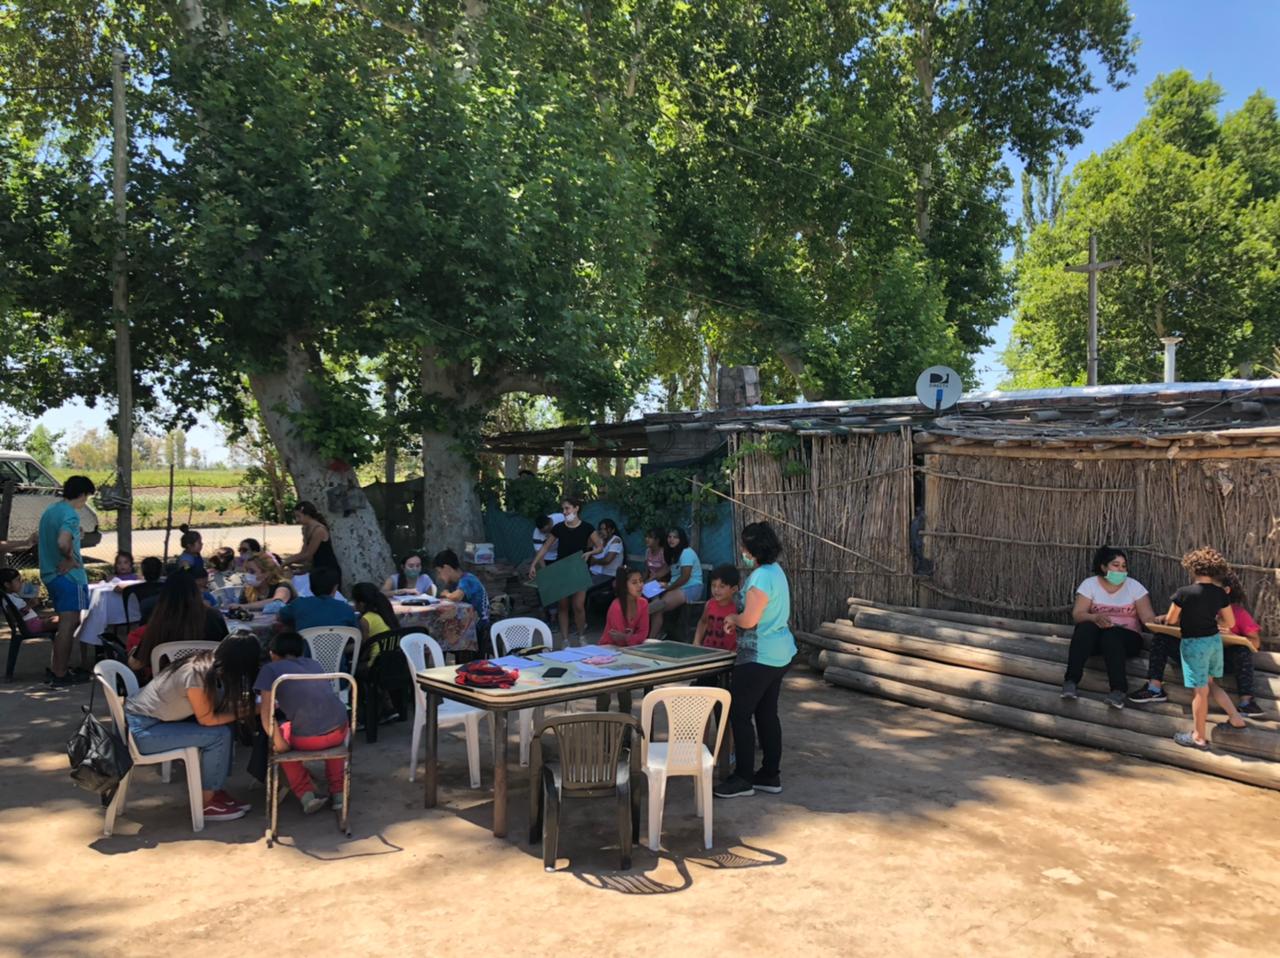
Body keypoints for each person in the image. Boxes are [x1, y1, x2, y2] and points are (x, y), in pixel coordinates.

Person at [124, 635, 260, 822]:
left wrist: (243, 707)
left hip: (154, 722)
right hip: (142, 731)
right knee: (219, 734)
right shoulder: (197, 675)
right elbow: (208, 719)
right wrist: (250, 710)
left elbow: (214, 708)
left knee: (225, 725)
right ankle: (207, 803)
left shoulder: (206, 662)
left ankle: (215, 790)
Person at [714, 522, 795, 799]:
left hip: (759, 656)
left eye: (745, 546)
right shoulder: (777, 572)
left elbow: (749, 620)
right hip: (780, 654)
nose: (742, 550)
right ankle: (769, 774)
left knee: (739, 712)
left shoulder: (760, 578)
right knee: (766, 713)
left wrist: (732, 618)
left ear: (754, 548)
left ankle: (743, 778)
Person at [1127, 569, 1266, 716]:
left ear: (1225, 591)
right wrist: (1165, 620)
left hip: (1220, 661)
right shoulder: (1193, 604)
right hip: (1193, 654)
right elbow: (1175, 621)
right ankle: (1154, 688)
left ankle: (1247, 701)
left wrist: (1232, 636)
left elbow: (1255, 643)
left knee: (1242, 652)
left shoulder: (1238, 614)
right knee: (1161, 638)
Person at [1149, 548, 1249, 749]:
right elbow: (1229, 622)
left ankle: (1198, 736)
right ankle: (1236, 717)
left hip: (1194, 644)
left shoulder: (1183, 593)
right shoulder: (1220, 594)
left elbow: (1171, 619)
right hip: (1214, 642)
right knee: (1210, 684)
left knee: (1200, 691)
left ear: (1192, 569)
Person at [255, 631, 352, 814]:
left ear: (272, 653)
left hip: (308, 739)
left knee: (279, 740)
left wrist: (279, 742)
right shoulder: (314, 664)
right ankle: (338, 793)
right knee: (328, 733)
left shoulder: (269, 669)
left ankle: (306, 794)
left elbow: (266, 714)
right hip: (340, 729)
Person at [1060, 546, 1157, 708]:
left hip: (1127, 639)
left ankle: (1118, 690)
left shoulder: (1134, 587)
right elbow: (1078, 614)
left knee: (1111, 635)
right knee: (1085, 628)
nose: (1120, 569)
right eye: (1115, 565)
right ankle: (1070, 681)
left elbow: (1148, 618)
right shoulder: (1089, 585)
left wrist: (1160, 623)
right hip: (1097, 639)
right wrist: (1094, 617)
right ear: (1103, 567)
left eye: (1123, 566)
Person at [37, 474, 95, 686]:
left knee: (65, 623)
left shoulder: (51, 511)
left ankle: (57, 668)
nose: (85, 501)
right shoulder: (70, 514)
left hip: (51, 574)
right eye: (86, 496)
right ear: (81, 494)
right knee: (69, 624)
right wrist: (70, 558)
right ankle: (61, 673)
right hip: (70, 577)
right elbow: (63, 542)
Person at [127, 571, 230, 676]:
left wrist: (134, 651)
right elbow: (226, 654)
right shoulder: (213, 617)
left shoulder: (159, 622)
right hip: (207, 685)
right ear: (196, 592)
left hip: (167, 688)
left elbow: (136, 664)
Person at [529, 498, 598, 647]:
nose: (565, 512)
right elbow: (546, 547)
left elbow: (600, 545)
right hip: (562, 569)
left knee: (579, 605)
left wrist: (589, 554)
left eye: (567, 508)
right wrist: (534, 564)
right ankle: (565, 640)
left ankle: (581, 637)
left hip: (579, 569)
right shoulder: (559, 528)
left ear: (576, 508)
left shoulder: (587, 527)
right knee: (563, 606)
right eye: (564, 509)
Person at [647, 527, 704, 642]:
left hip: (691, 587)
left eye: (675, 537)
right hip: (676, 586)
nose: (671, 540)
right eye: (669, 537)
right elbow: (667, 569)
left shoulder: (686, 552)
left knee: (658, 607)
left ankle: (651, 639)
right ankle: (656, 633)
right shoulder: (673, 552)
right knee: (648, 592)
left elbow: (685, 577)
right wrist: (653, 578)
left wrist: (668, 587)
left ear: (681, 539)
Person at [433, 549, 491, 653]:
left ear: (446, 568)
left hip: (479, 628)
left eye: (439, 572)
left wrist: (447, 594)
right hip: (469, 625)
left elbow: (456, 597)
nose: (439, 576)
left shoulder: (467, 579)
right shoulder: (455, 583)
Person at [277, 565, 357, 632]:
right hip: (339, 650)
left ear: (310, 587)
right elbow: (356, 633)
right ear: (335, 588)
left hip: (305, 650)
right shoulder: (346, 609)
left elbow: (280, 616)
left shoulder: (299, 604)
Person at [284, 501, 341, 585]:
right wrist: (294, 564)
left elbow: (308, 554)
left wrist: (287, 561)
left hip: (328, 571)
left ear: (307, 515)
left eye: (298, 516)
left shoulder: (319, 530)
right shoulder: (306, 528)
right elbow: (303, 553)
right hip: (316, 568)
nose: (297, 520)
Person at [694, 565, 741, 652]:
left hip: (728, 655)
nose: (716, 590)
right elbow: (703, 622)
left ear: (734, 589)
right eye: (713, 585)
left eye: (721, 586)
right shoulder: (709, 604)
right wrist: (696, 642)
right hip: (707, 651)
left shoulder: (737, 608)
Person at [230, 552, 296, 613]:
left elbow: (277, 601)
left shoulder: (283, 585)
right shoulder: (248, 590)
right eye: (246, 571)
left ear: (266, 573)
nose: (248, 574)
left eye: (252, 571)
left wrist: (243, 606)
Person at [351, 581, 399, 664]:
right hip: (394, 661)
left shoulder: (366, 619)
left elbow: (364, 647)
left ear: (361, 604)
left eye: (354, 602)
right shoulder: (385, 612)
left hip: (376, 665)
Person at [1, 567, 57, 635]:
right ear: (7, 584)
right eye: (18, 580)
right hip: (31, 626)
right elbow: (14, 617)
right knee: (64, 621)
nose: (21, 582)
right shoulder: (6, 599)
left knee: (62, 619)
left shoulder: (14, 595)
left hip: (34, 623)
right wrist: (29, 606)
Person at [601, 567, 649, 648]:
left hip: (631, 646)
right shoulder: (616, 607)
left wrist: (626, 637)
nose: (640, 585)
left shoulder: (643, 603)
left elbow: (643, 634)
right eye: (634, 583)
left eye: (641, 581)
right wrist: (631, 637)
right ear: (624, 585)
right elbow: (618, 640)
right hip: (609, 647)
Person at [587, 518, 625, 584]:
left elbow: (607, 560)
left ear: (612, 530)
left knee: (585, 587)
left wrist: (594, 561)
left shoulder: (616, 541)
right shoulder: (601, 540)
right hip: (594, 572)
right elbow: (588, 547)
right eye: (601, 529)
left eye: (605, 529)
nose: (602, 531)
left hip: (608, 575)